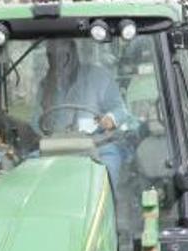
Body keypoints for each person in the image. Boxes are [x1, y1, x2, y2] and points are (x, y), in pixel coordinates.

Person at [36, 38, 134, 185]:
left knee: (107, 172)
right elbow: (36, 119)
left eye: (64, 55)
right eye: (52, 56)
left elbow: (121, 110)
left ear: (74, 54)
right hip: (56, 147)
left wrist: (110, 119)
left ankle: (110, 202)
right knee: (28, 167)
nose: (58, 61)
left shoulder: (99, 77)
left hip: (98, 145)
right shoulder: (46, 86)